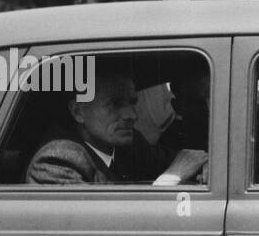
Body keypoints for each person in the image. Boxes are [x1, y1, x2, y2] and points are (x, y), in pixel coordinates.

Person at [26, 64, 206, 186]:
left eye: (132, 102)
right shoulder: (55, 163)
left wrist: (204, 165)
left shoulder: (130, 146)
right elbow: (100, 231)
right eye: (115, 104)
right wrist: (170, 178)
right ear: (78, 112)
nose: (132, 115)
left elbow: (184, 160)